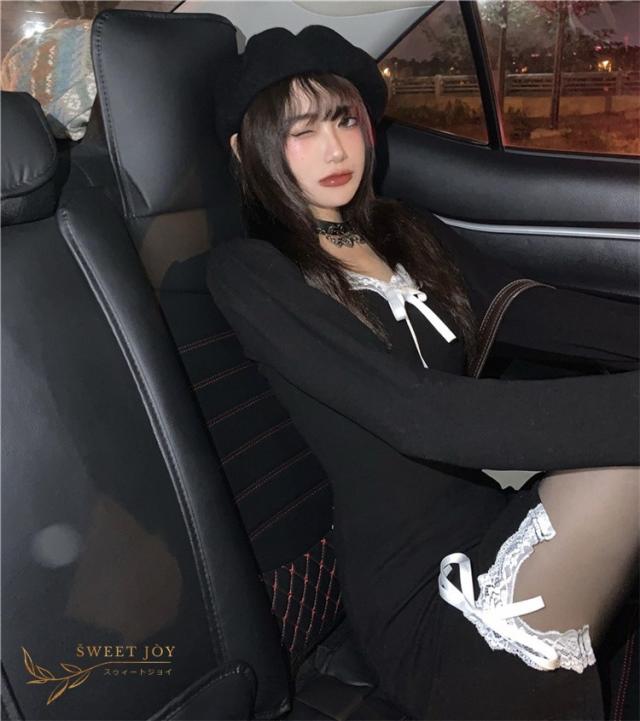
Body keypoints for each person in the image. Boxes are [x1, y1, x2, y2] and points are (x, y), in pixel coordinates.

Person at [207, 25, 639, 720]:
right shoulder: (252, 271)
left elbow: (527, 306)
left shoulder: (403, 230)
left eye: (344, 119)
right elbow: (424, 415)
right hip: (424, 592)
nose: (335, 148)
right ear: (244, 149)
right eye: (300, 131)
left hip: (494, 520)